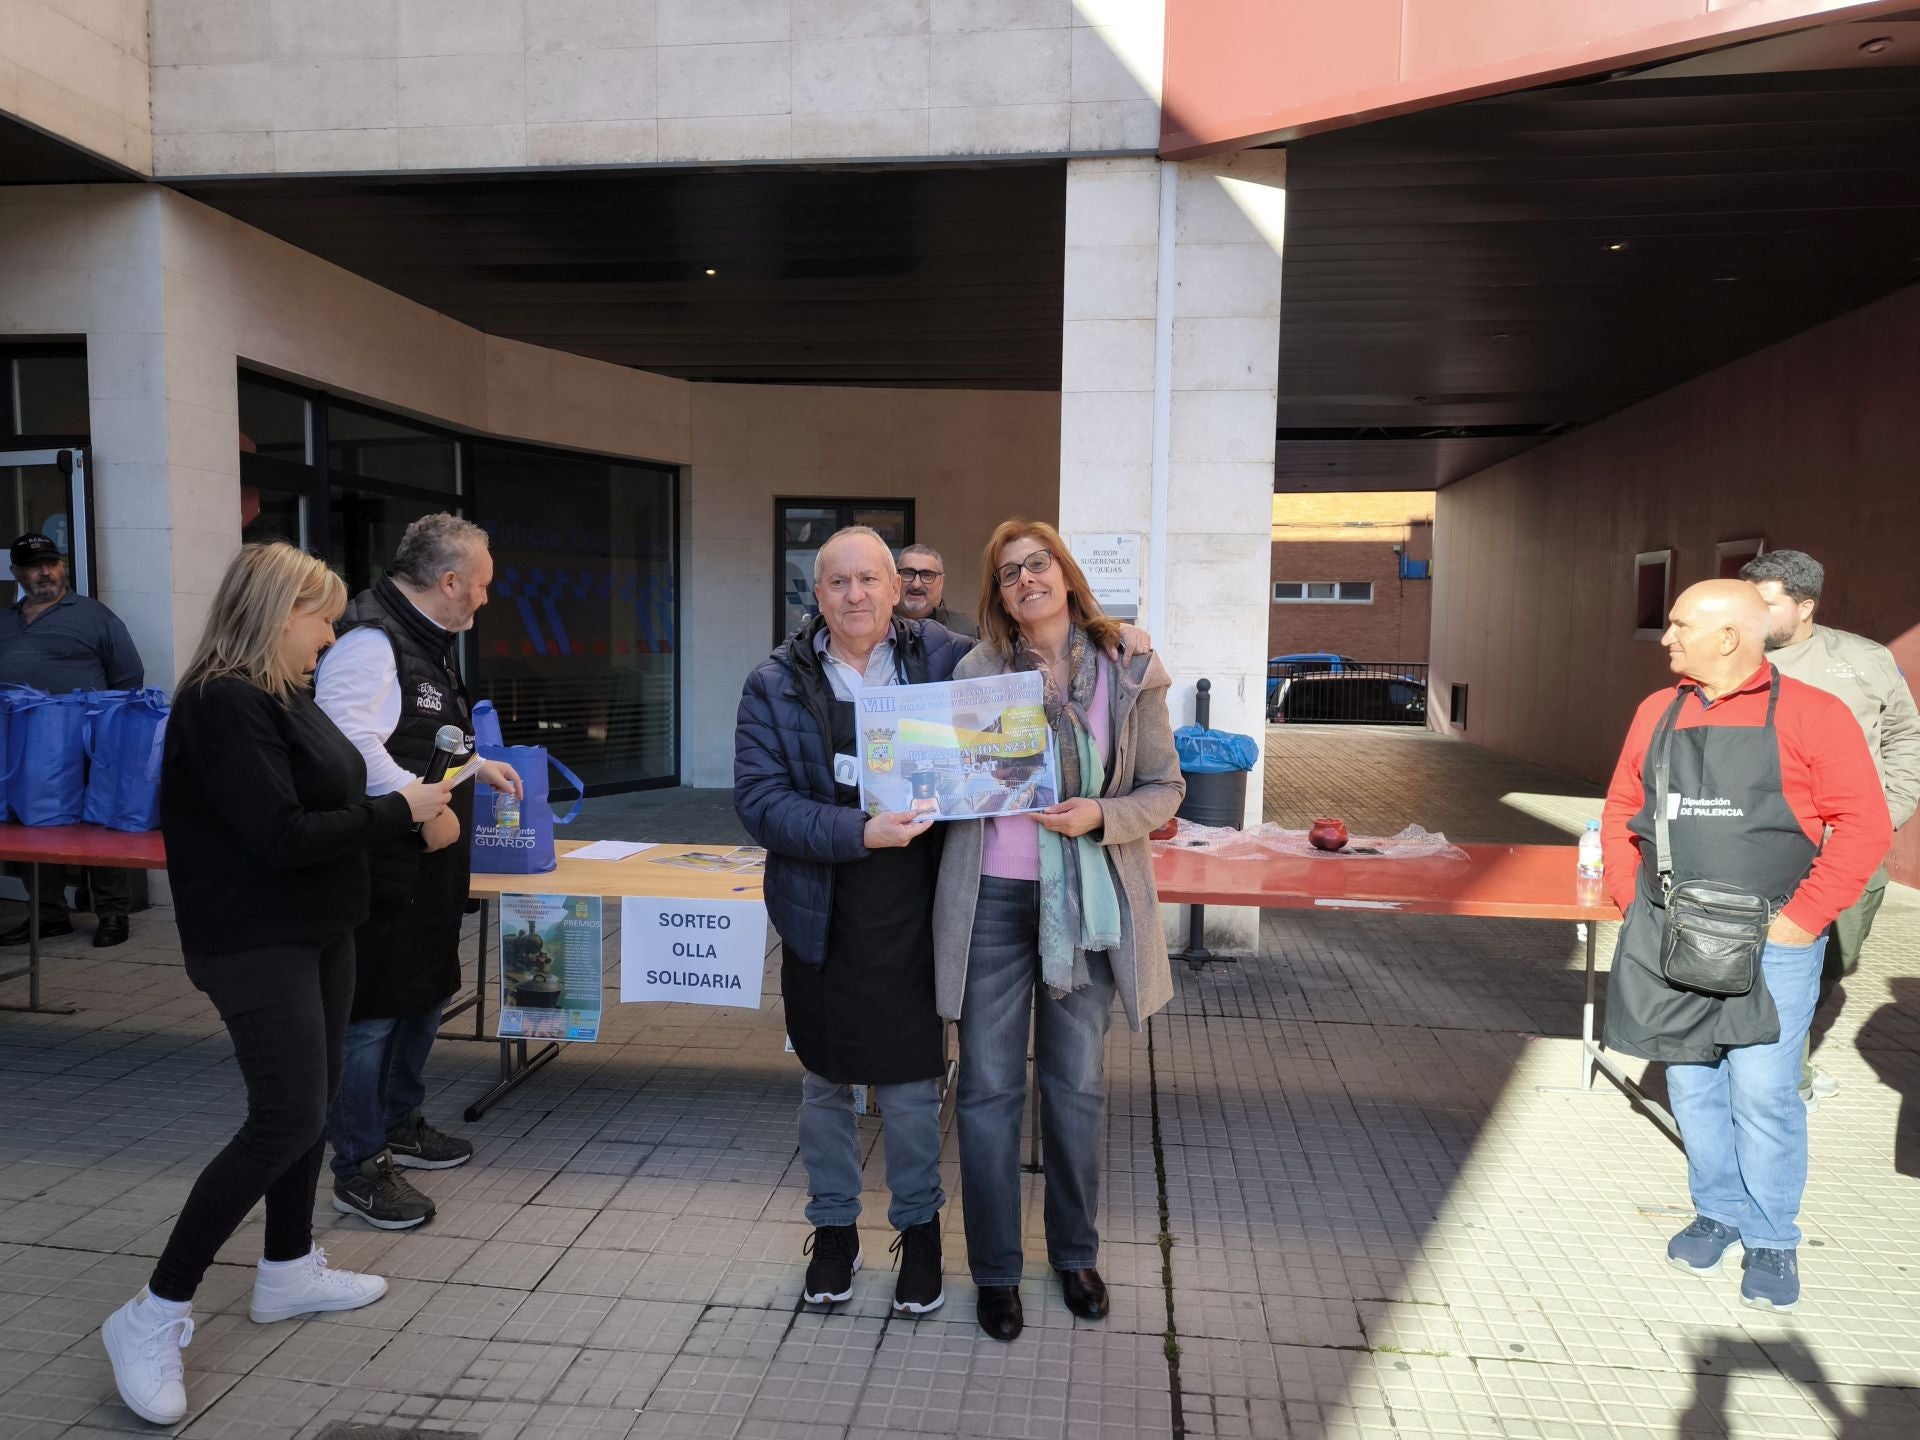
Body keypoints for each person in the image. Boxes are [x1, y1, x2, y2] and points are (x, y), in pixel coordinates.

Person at [99, 543, 457, 1426]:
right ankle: (152, 1314)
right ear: (274, 612)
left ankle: (289, 1269)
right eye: (321, 620)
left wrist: (398, 806)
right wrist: (402, 812)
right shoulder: (222, 704)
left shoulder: (281, 694)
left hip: (320, 930)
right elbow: (282, 834)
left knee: (318, 1098)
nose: (331, 638)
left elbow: (329, 800)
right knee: (287, 1117)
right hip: (254, 941)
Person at [1599, 579, 1890, 1313]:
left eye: (1679, 625)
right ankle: (1718, 1210)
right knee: (1691, 1079)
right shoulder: (1654, 712)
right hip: (1670, 933)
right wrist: (1633, 901)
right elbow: (1622, 810)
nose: (1665, 637)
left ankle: (1771, 1238)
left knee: (1763, 1092)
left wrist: (1804, 919)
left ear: (1729, 636)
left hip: (1774, 941)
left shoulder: (1814, 715)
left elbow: (1864, 826)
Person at [932, 520, 1184, 1342]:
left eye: (1038, 565)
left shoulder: (1128, 668)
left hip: (1086, 904)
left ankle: (1076, 1255)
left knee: (1074, 1089)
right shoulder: (976, 671)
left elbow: (1165, 790)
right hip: (995, 902)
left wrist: (1099, 815)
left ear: (1067, 576)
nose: (1025, 580)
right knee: (987, 1092)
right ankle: (996, 1273)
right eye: (1008, 573)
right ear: (997, 595)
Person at [735, 525, 974, 1317]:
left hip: (914, 912)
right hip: (822, 914)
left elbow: (1031, 649)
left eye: (870, 579)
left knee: (910, 1090)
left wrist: (1115, 633)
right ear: (817, 593)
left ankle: (921, 1232)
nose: (856, 595)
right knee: (825, 1082)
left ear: (896, 583)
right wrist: (858, 832)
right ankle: (835, 1230)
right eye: (837, 583)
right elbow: (760, 803)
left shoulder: (940, 657)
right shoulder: (773, 682)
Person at [316, 514, 521, 1230]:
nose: (486, 600)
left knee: (425, 993)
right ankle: (359, 1164)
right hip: (384, 864)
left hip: (427, 870)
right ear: (450, 581)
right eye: (483, 586)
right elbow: (347, 742)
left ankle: (400, 1122)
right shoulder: (371, 641)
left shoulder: (424, 639)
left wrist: (474, 765)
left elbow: (421, 735)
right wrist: (422, 809)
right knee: (372, 1015)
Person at [1739, 549, 1920, 1106]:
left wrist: (1880, 820)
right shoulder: (1731, 659)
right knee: (1756, 969)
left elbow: (1904, 739)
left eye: (1766, 606)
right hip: (1757, 851)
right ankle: (1777, 1085)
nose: (1751, 619)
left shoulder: (1863, 660)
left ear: (1806, 606)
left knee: (1829, 968)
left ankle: (1782, 1068)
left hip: (1847, 852)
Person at [0, 531, 145, 948]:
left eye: (52, 562)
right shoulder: (5, 622)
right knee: (31, 827)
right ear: (17, 573)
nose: (44, 571)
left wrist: (100, 726)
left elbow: (128, 676)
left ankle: (113, 913)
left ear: (63, 567)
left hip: (87, 743)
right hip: (25, 751)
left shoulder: (94, 616)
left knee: (100, 824)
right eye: (33, 565)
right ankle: (48, 914)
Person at [896, 543, 976, 637]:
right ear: (896, 579)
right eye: (908, 573)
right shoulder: (880, 627)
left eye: (927, 575)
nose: (916, 585)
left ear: (941, 582)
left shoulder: (964, 631)